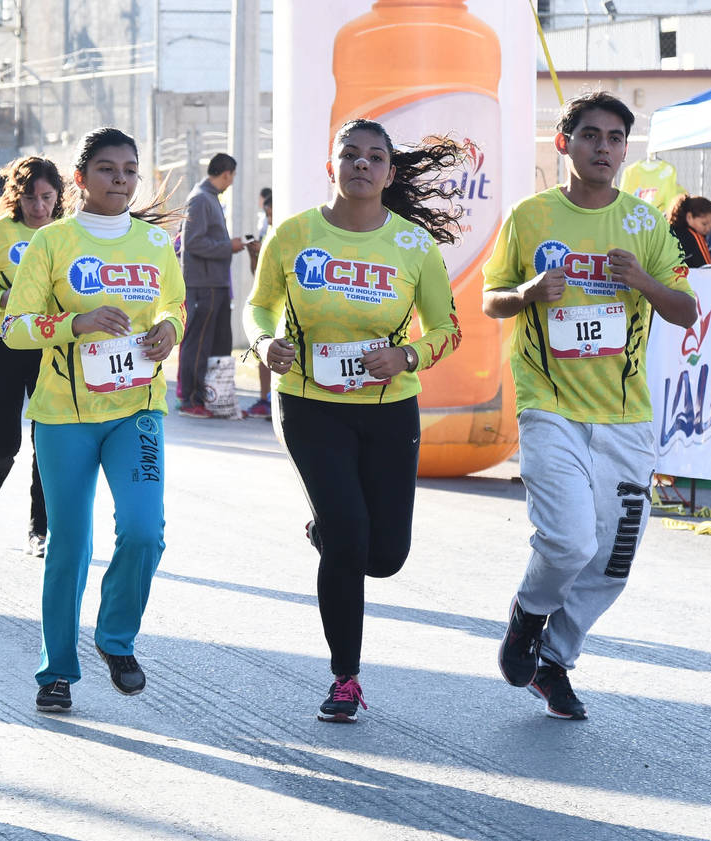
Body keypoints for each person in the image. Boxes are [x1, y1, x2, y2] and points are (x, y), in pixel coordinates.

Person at [484, 91, 696, 720]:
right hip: (550, 404)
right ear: (564, 143)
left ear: (625, 150)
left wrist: (644, 282)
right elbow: (492, 299)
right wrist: (527, 292)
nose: (604, 148)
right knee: (570, 540)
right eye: (590, 136)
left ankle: (555, 662)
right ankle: (528, 616)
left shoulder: (645, 224)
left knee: (613, 559)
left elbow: (686, 311)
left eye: (615, 138)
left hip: (625, 416)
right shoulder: (530, 217)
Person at [245, 119, 465, 724]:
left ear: (390, 174)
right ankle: (345, 677)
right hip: (309, 403)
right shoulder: (293, 235)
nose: (362, 164)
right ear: (331, 166)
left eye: (375, 157)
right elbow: (258, 306)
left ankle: (334, 537)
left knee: (384, 554)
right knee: (348, 534)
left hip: (389, 408)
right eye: (350, 154)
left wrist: (407, 356)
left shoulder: (414, 245)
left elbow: (447, 330)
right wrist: (263, 343)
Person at [2, 127, 185, 713]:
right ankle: (57, 669)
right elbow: (15, 328)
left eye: (130, 170)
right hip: (65, 416)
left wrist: (169, 330)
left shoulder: (154, 244)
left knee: (145, 531)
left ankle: (115, 639)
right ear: (80, 179)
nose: (121, 180)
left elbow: (175, 307)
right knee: (70, 544)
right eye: (108, 169)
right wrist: (73, 325)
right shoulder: (53, 241)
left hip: (138, 409)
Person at [0, 156, 63, 557]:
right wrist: (1, 298)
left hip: (48, 347)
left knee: (49, 442)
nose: (39, 207)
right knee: (5, 441)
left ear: (58, 197)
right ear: (16, 197)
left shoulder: (66, 233)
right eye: (29, 198)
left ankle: (39, 529)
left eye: (46, 197)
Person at [178, 153, 245, 418]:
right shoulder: (200, 199)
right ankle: (190, 400)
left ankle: (214, 399)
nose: (232, 182)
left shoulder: (210, 198)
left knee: (217, 345)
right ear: (226, 174)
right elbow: (192, 243)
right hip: (202, 285)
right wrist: (229, 246)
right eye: (232, 176)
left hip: (216, 284)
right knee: (198, 344)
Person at [244, 188, 273, 419]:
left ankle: (272, 399)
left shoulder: (287, 234)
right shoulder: (267, 233)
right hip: (268, 305)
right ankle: (265, 399)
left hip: (285, 308)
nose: (270, 219)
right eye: (268, 215)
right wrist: (254, 254)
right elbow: (256, 273)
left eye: (273, 215)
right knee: (264, 349)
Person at [667, 193, 711, 269]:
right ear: (689, 217)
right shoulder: (695, 237)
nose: (708, 229)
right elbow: (706, 268)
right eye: (704, 224)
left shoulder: (669, 230)